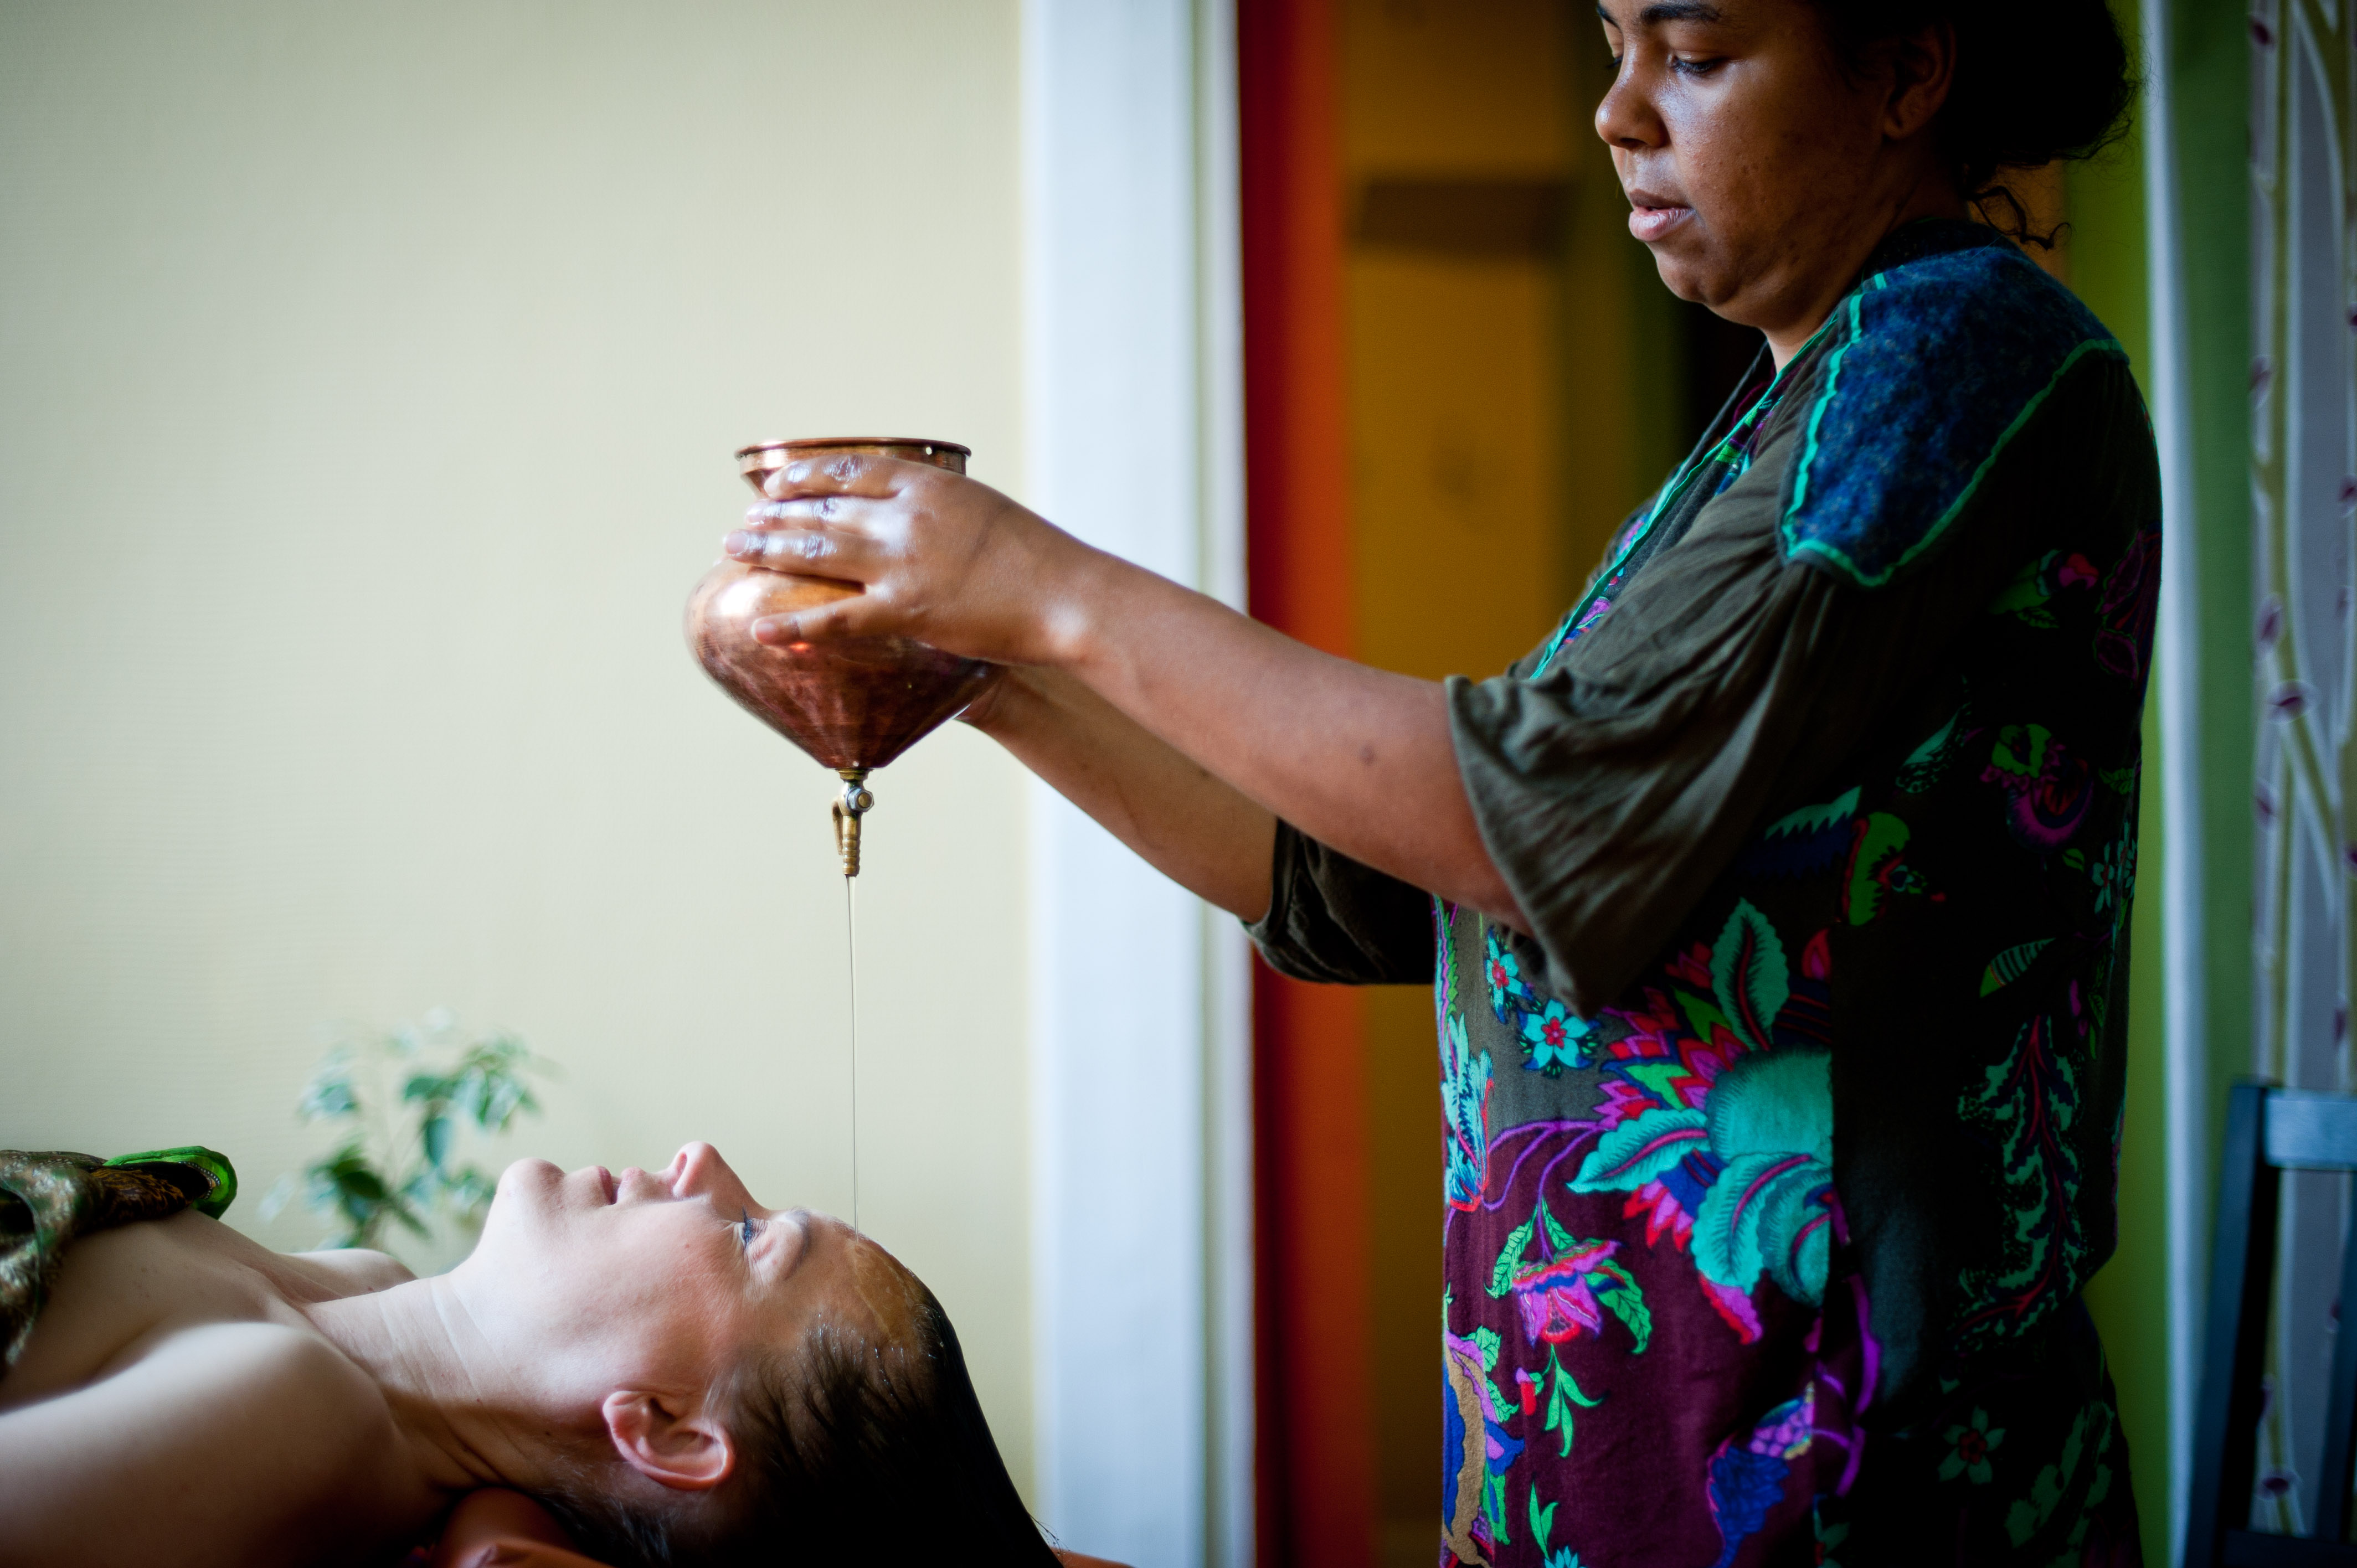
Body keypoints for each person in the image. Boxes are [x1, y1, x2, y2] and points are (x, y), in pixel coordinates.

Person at [724, 0, 2153, 1560]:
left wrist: (1041, 584)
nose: (1617, 112)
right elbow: (1368, 882)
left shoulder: (1955, 353)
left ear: (1905, 66)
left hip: (1846, 1478)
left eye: (1694, 51)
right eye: (1610, 46)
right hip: (1620, 1454)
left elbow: (1532, 825)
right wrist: (983, 678)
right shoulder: (1783, 419)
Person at [0, 1141, 1061, 1567]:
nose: (702, 1162)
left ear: (666, 1428)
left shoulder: (291, 1411)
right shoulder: (359, 1282)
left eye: (748, 1237)